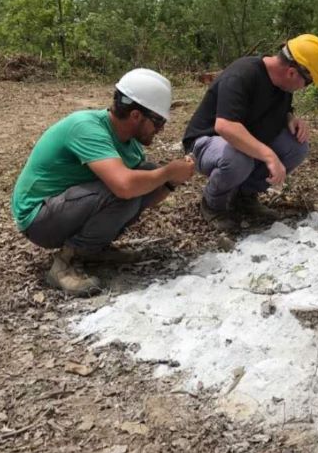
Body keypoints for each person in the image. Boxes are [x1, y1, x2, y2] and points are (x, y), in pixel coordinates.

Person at [11, 68, 195, 295]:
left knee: (146, 175)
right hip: (38, 219)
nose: (161, 129)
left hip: (68, 208)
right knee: (124, 188)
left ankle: (92, 250)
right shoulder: (86, 128)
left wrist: (171, 181)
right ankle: (64, 265)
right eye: (157, 122)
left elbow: (141, 199)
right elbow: (124, 187)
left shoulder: (131, 145)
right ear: (136, 115)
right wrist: (168, 172)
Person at [182, 34, 318, 231]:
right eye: (308, 82)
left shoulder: (282, 84)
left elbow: (275, 108)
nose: (305, 88)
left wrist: (291, 119)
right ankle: (213, 204)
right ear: (292, 73)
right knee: (239, 160)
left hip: (243, 141)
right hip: (208, 142)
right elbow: (225, 126)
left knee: (296, 147)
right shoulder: (243, 74)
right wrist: (269, 156)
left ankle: (244, 196)